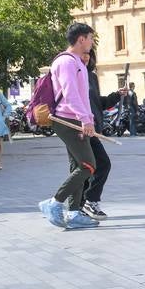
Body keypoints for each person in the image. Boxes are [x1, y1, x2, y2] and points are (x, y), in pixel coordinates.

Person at [37, 23, 101, 230]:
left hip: (75, 120)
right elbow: (71, 94)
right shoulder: (66, 62)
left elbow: (83, 97)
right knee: (88, 165)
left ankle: (74, 213)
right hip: (67, 120)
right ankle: (54, 202)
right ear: (81, 39)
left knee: (77, 166)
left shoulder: (77, 62)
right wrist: (85, 119)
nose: (92, 42)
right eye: (90, 38)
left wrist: (88, 118)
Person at [81, 48, 119, 218]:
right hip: (78, 128)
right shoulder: (73, 74)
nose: (86, 57)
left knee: (89, 167)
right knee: (99, 165)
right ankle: (87, 202)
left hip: (92, 128)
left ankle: (80, 205)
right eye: (83, 53)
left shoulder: (92, 77)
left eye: (89, 54)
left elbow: (98, 103)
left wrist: (116, 95)